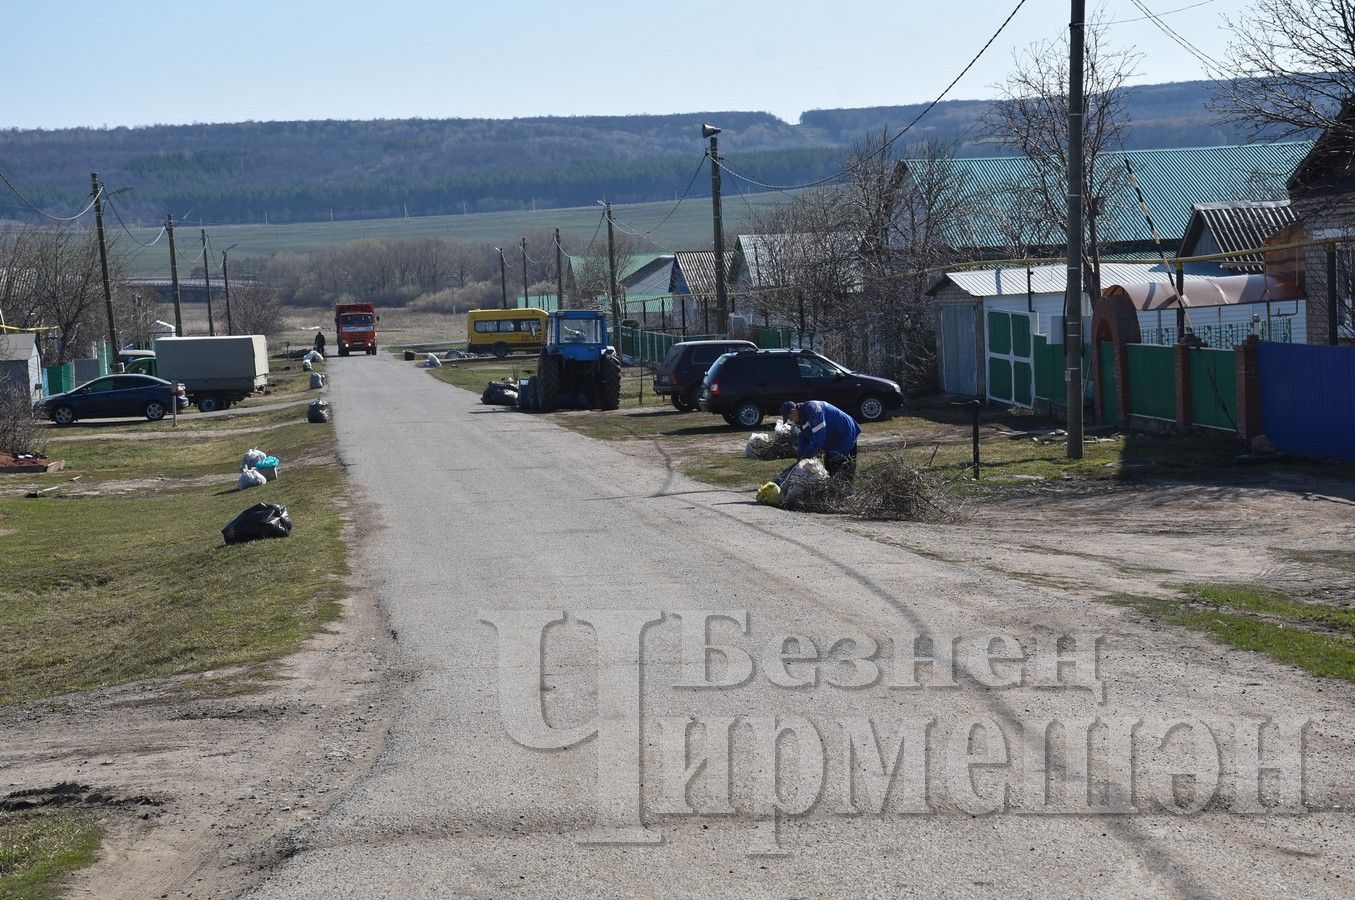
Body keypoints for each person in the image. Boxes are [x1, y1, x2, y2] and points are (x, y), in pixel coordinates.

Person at [781, 400, 860, 481]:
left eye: (790, 418)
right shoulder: (801, 417)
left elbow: (819, 438)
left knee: (840, 463)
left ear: (793, 411)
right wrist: (800, 455)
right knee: (829, 465)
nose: (791, 420)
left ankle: (846, 490)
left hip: (845, 432)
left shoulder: (813, 410)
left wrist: (807, 454)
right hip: (832, 435)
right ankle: (835, 489)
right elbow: (804, 437)